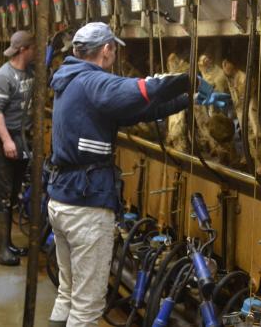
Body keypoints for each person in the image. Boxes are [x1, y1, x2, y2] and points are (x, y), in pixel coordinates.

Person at [47, 22, 189, 327]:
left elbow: (137, 109)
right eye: (114, 48)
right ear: (107, 49)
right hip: (86, 205)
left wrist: (185, 101)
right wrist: (189, 81)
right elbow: (145, 89)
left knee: (68, 293)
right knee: (87, 307)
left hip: (62, 198)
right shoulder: (94, 82)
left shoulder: (70, 79)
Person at [0, 30, 36, 266]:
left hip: (21, 139)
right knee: (2, 196)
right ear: (24, 50)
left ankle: (4, 243)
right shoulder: (2, 77)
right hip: (3, 140)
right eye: (34, 48)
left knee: (13, 193)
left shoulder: (28, 73)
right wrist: (6, 140)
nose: (36, 52)